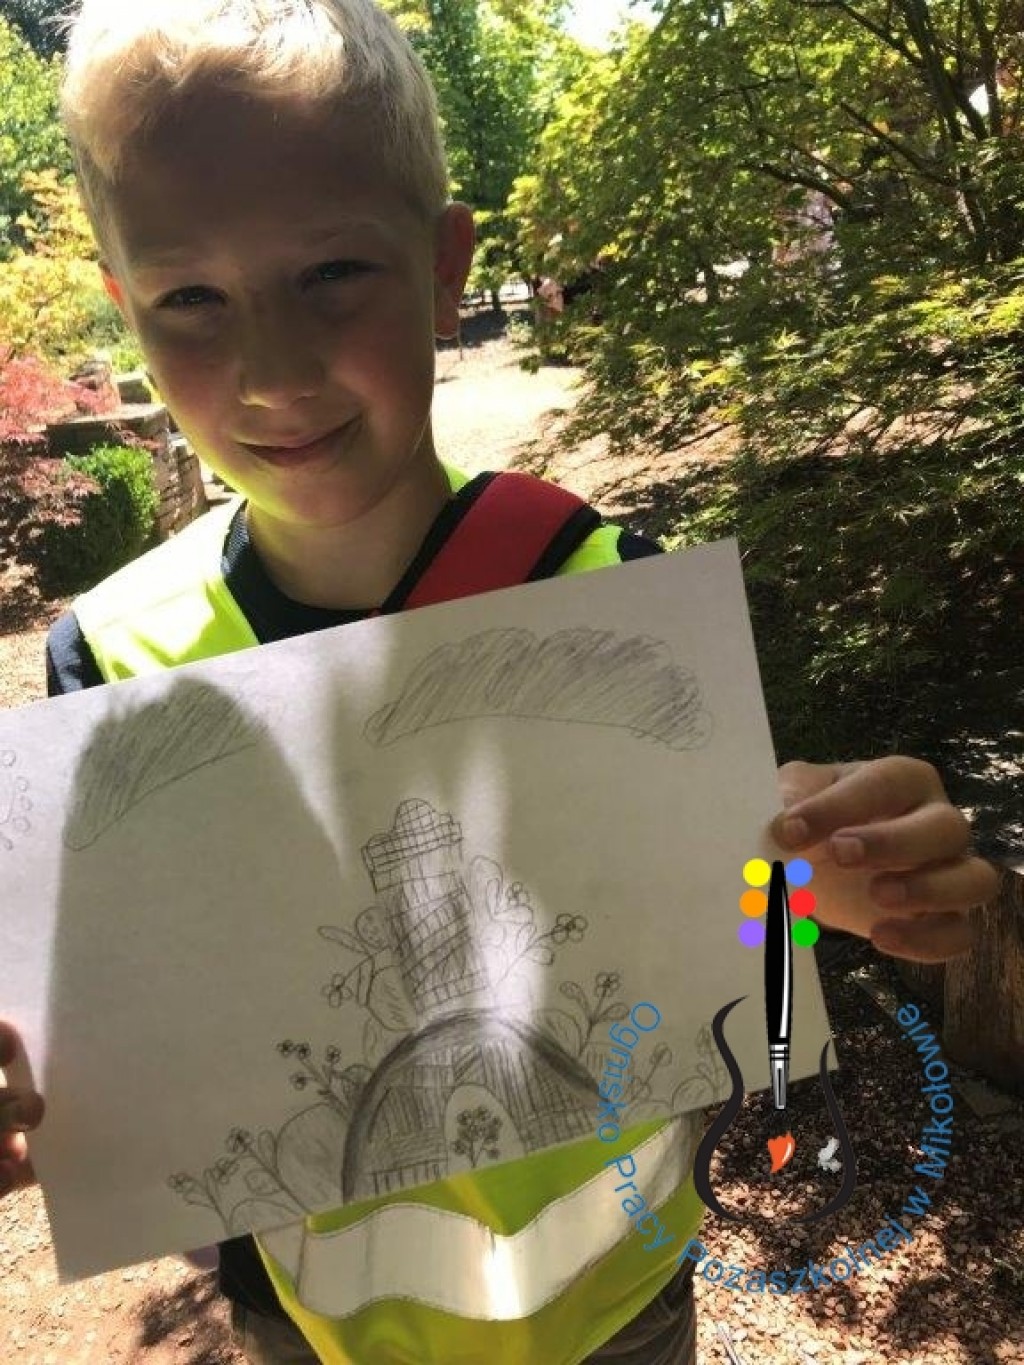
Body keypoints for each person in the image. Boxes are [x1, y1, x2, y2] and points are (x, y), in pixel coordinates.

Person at [0, 2, 999, 1362]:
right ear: (125, 310)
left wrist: (841, 885)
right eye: (191, 299)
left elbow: (732, 935)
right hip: (309, 1324)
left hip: (624, 1303)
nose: (273, 369)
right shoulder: (111, 661)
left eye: (332, 272)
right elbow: (137, 1044)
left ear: (444, 268)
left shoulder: (609, 595)